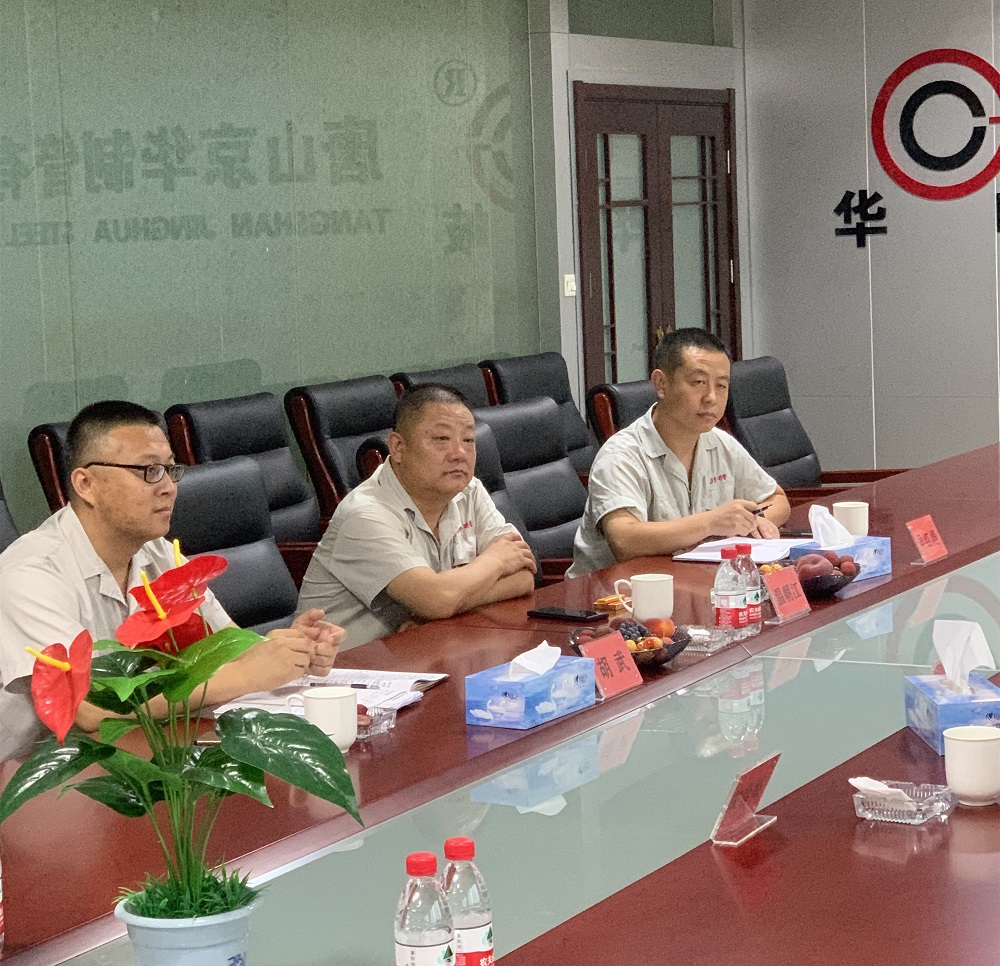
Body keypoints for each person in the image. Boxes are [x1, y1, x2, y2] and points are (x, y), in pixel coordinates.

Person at [0, 400, 345, 739]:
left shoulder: (158, 551)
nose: (168, 487)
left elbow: (226, 645)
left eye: (170, 469)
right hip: (39, 765)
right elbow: (89, 710)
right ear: (86, 484)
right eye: (149, 471)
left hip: (148, 743)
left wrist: (289, 650)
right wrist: (248, 675)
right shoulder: (30, 575)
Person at [297, 384, 537, 648]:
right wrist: (495, 561)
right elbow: (437, 600)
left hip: (424, 652)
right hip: (343, 668)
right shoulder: (364, 515)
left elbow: (524, 575)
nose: (459, 453)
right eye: (441, 439)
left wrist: (444, 605)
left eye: (469, 440)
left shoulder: (469, 490)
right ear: (398, 447)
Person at [568, 329, 791, 576]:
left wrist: (755, 521)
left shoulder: (719, 442)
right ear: (661, 384)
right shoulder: (621, 454)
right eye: (698, 383)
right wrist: (711, 523)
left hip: (689, 580)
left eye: (721, 386)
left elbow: (776, 498)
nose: (711, 398)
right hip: (612, 592)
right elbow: (624, 540)